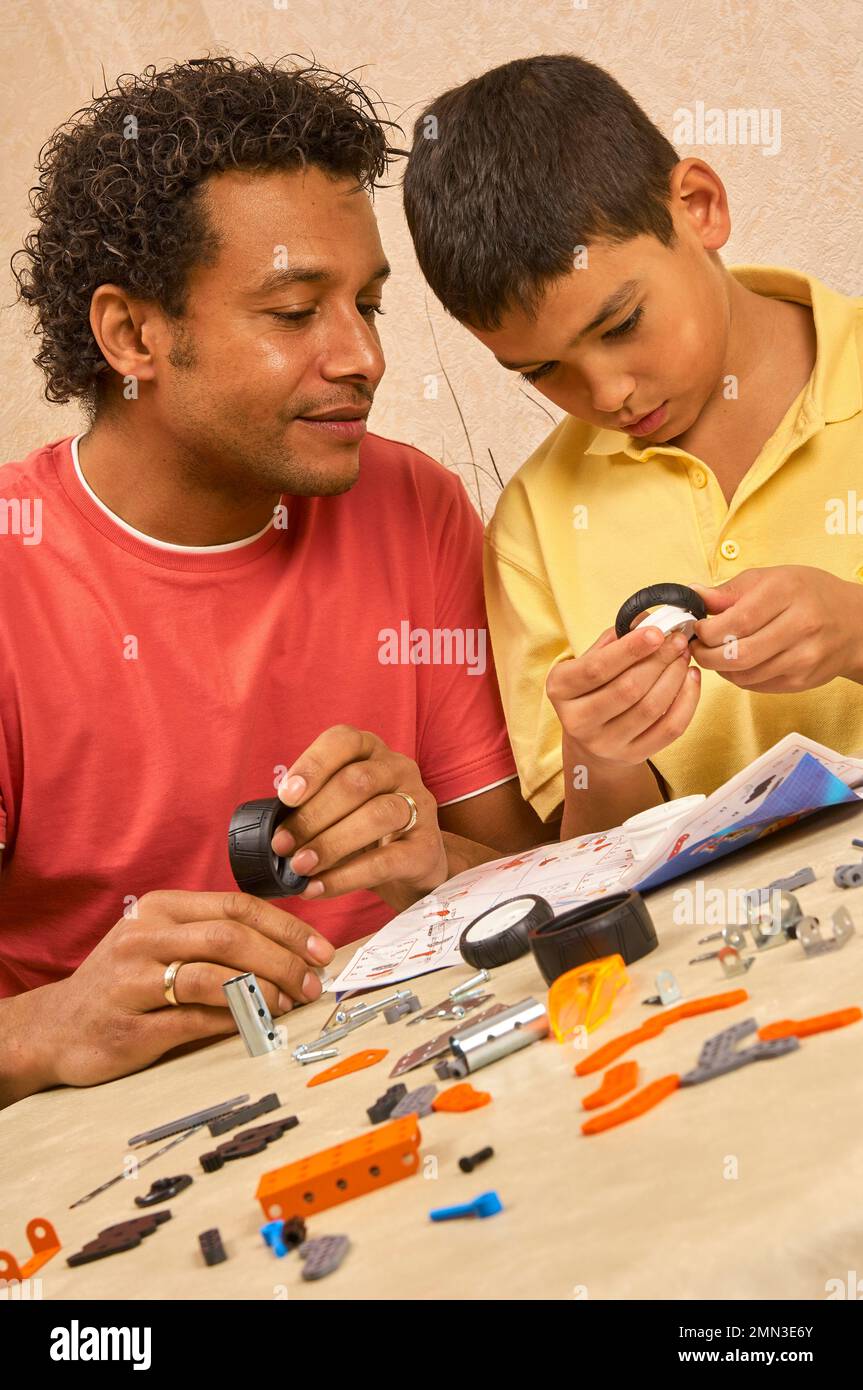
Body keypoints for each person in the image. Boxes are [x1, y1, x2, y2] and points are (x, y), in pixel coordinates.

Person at [0, 57, 546, 1106]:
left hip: (412, 1091)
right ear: (132, 335)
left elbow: (531, 875)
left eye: (368, 305)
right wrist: (43, 1028)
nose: (362, 358)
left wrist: (427, 858)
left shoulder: (410, 505)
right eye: (296, 312)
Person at [402, 53, 863, 842]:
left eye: (619, 326)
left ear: (698, 207)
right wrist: (600, 754)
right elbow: (599, 859)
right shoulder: (533, 527)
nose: (607, 395)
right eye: (543, 371)